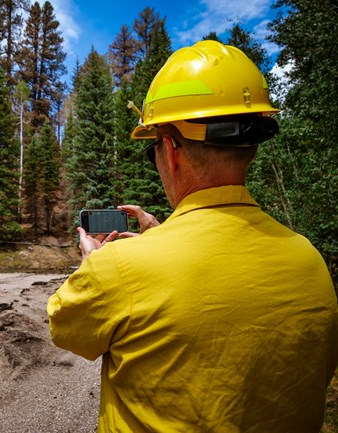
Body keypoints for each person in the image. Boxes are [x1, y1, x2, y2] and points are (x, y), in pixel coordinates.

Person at [47, 40, 338, 433]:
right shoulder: (310, 261)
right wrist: (162, 234)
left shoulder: (119, 268)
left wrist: (93, 263)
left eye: (152, 151)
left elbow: (65, 329)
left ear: (171, 150)